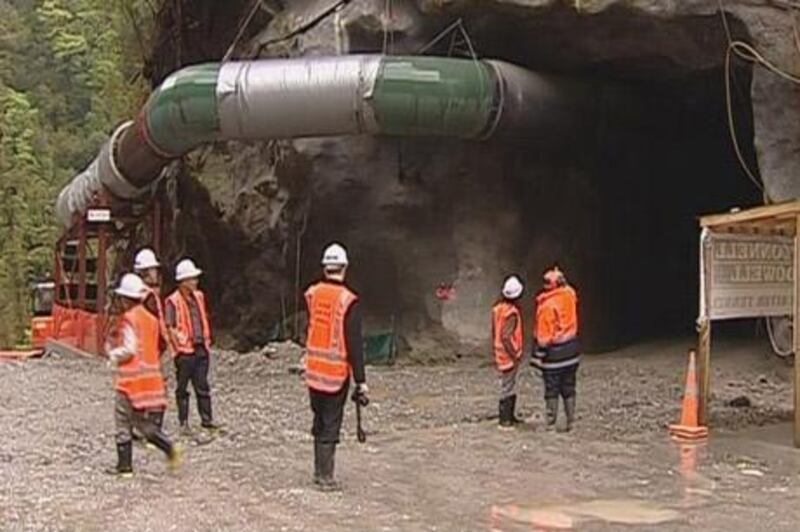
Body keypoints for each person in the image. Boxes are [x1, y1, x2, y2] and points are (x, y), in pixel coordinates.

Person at [305, 243, 368, 491]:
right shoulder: (347, 300)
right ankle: (325, 477)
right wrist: (361, 380)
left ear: (325, 267)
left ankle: (318, 470)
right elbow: (354, 343)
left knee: (319, 419)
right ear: (344, 268)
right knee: (331, 422)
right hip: (334, 373)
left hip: (313, 371)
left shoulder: (312, 294)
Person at [106, 273, 183, 476]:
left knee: (122, 419)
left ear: (125, 299)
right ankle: (169, 448)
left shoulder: (129, 319)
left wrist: (114, 355)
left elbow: (130, 349)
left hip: (130, 381)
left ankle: (124, 468)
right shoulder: (151, 320)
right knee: (141, 423)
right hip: (149, 381)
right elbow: (158, 346)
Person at [165, 258, 219, 433]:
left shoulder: (199, 297)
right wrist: (179, 347)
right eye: (192, 278)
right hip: (185, 352)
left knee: (202, 385)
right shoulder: (172, 301)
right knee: (183, 388)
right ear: (183, 281)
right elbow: (170, 327)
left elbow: (202, 318)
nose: (195, 281)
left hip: (200, 348)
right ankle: (184, 422)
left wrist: (205, 342)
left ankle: (207, 419)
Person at [532, 267, 580, 432]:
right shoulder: (570, 295)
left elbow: (544, 338)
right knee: (569, 386)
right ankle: (571, 422)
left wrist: (538, 354)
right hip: (572, 350)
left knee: (552, 389)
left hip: (555, 355)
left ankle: (551, 423)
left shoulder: (547, 306)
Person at [133, 248, 171, 429]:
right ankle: (151, 427)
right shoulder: (149, 297)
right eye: (154, 270)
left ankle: (137, 423)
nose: (156, 273)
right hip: (150, 350)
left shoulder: (134, 295)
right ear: (146, 272)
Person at [492, 275, 525, 429]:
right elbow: (506, 336)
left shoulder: (498, 309)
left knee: (508, 384)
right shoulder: (511, 312)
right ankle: (505, 419)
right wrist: (515, 355)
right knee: (508, 386)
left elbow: (496, 332)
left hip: (500, 352)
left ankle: (509, 417)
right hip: (508, 354)